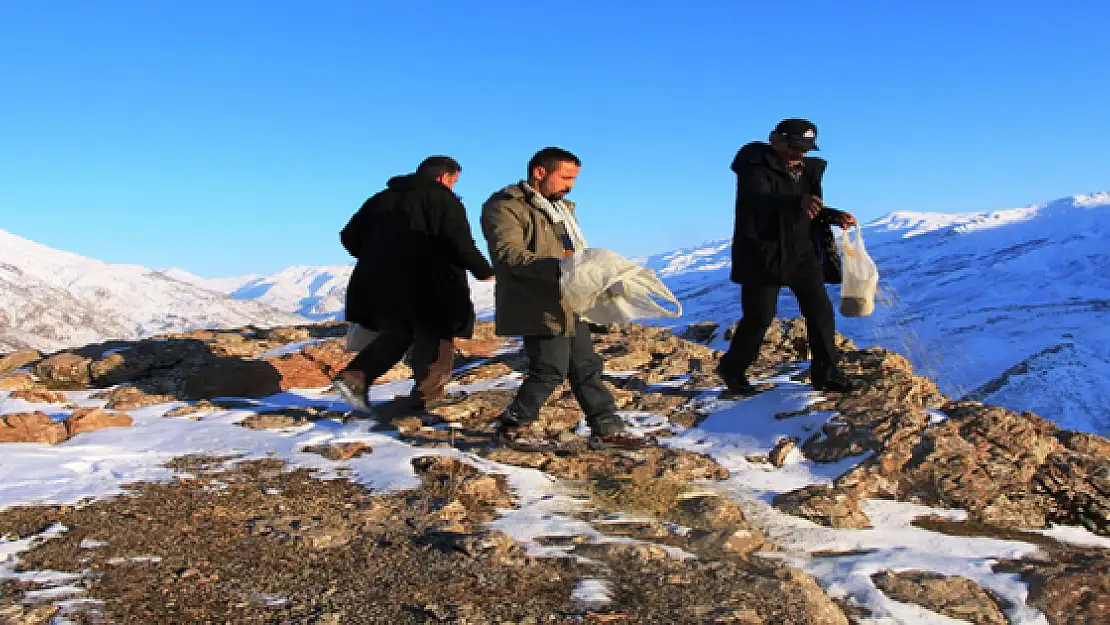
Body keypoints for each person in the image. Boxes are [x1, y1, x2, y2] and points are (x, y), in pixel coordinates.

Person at [480, 147, 646, 449]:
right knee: (550, 368)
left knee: (586, 364)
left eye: (574, 179)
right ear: (539, 172)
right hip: (536, 302)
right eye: (565, 177)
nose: (570, 185)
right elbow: (508, 255)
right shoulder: (504, 207)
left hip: (569, 300)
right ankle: (513, 426)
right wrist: (564, 269)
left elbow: (572, 252)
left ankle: (606, 427)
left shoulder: (561, 209)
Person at [333, 155, 494, 415]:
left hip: (377, 283)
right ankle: (430, 395)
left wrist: (376, 257)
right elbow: (457, 240)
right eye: (454, 180)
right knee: (439, 333)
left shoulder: (379, 199)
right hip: (429, 281)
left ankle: (354, 377)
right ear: (444, 177)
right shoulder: (442, 199)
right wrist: (482, 269)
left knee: (399, 332)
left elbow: (348, 236)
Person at [718, 119, 862, 394]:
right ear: (778, 141)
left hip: (802, 251)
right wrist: (797, 202)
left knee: (820, 311)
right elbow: (756, 199)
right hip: (764, 253)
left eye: (806, 149)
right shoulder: (755, 167)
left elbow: (811, 209)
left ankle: (827, 374)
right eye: (797, 148)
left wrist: (833, 215)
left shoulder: (806, 170)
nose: (802, 155)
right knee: (760, 317)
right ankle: (732, 368)